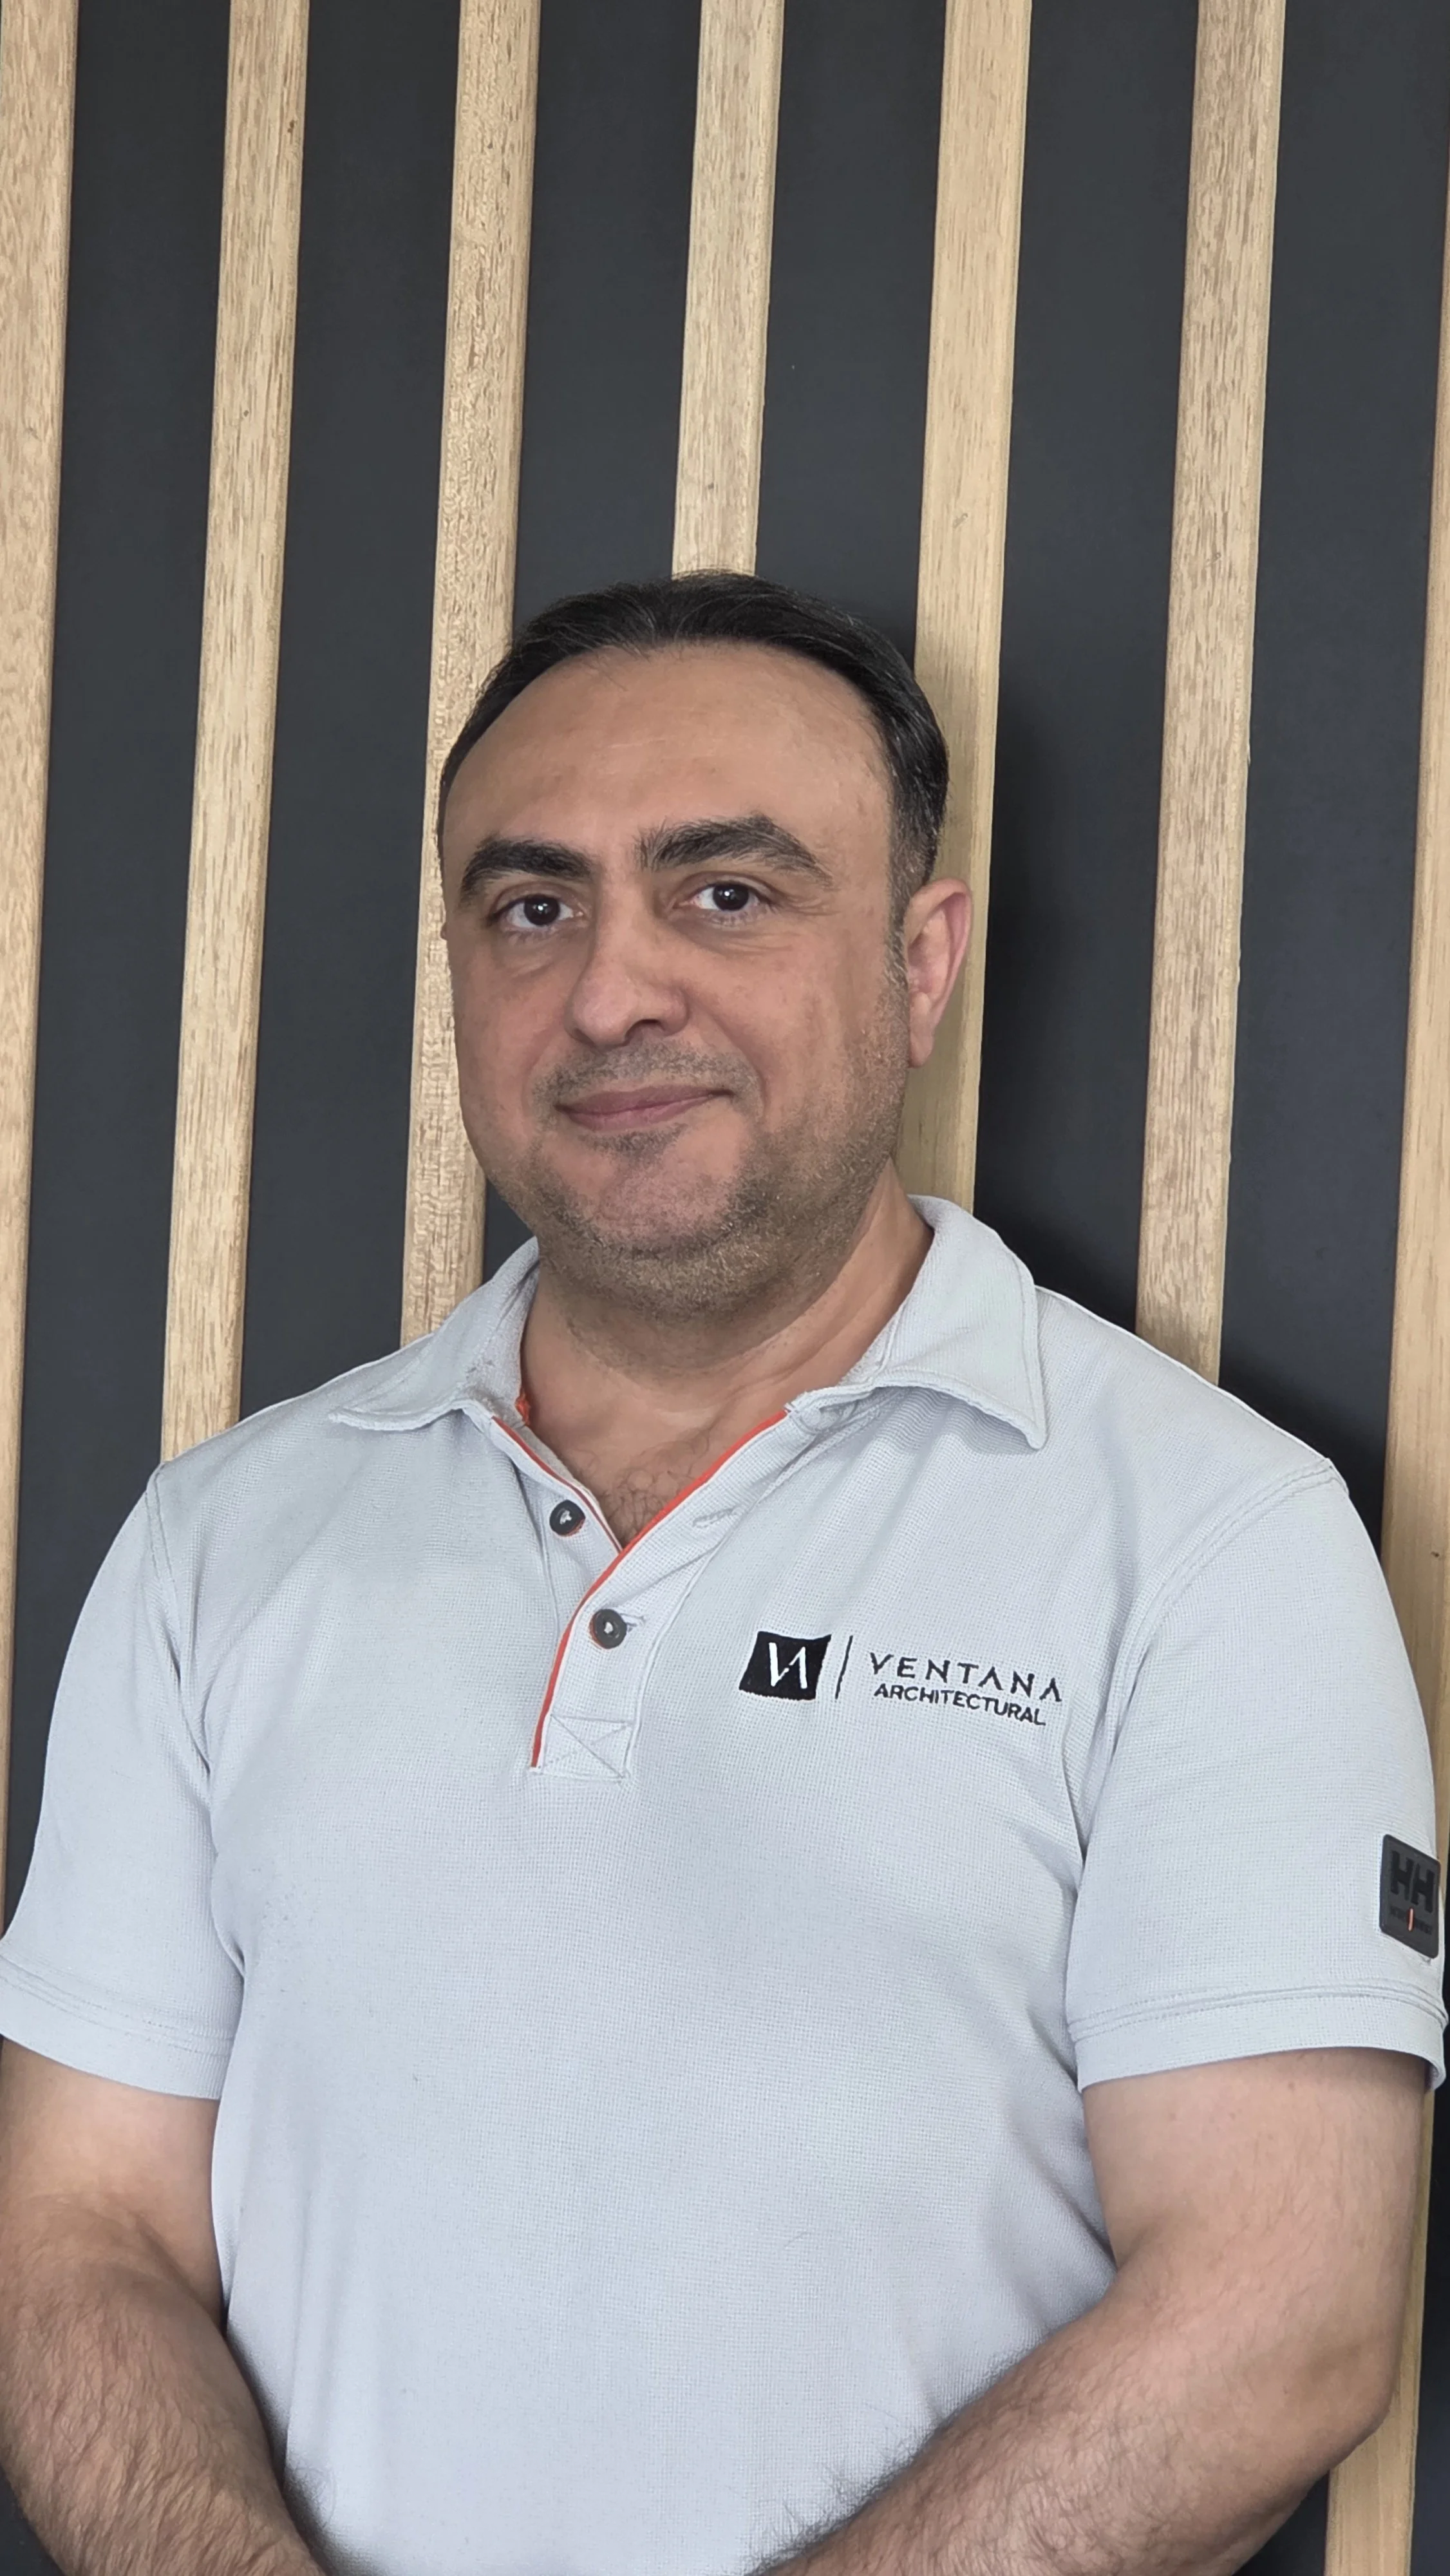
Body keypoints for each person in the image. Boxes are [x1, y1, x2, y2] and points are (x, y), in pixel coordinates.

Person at [0, 573, 1440, 2576]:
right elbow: (76, 2238)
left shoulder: (1206, 1539)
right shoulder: (222, 1544)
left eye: (728, 894)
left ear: (922, 963)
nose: (610, 995)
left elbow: (1279, 2319)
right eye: (532, 907)